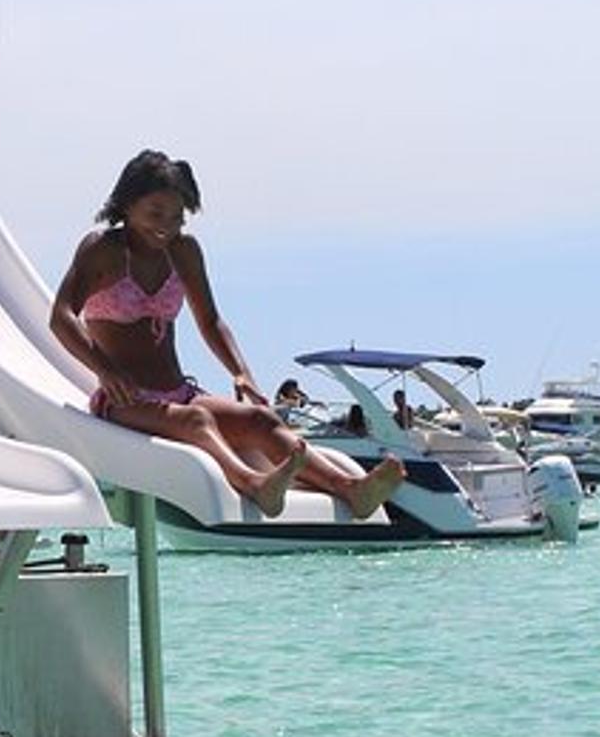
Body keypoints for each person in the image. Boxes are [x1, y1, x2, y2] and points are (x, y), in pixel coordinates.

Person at [49, 149, 403, 519]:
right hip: (125, 401)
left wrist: (240, 372)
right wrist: (105, 371)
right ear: (127, 204)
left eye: (177, 216)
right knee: (196, 421)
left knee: (262, 420)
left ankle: (351, 489)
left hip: (180, 393)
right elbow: (61, 317)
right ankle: (254, 484)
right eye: (155, 213)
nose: (166, 225)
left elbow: (211, 321)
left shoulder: (183, 251)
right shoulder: (103, 250)